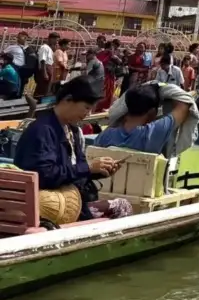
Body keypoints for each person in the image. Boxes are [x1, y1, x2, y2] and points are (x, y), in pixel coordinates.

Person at [13, 76, 129, 222]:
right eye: (86, 107)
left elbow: (73, 173)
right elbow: (43, 175)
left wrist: (99, 171)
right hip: (47, 207)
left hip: (70, 201)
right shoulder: (42, 130)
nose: (89, 114)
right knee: (122, 207)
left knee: (122, 206)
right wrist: (88, 168)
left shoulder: (72, 131)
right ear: (67, 99)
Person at [96, 83, 192, 154]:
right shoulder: (154, 132)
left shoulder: (105, 136)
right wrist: (162, 87)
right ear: (152, 112)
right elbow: (184, 104)